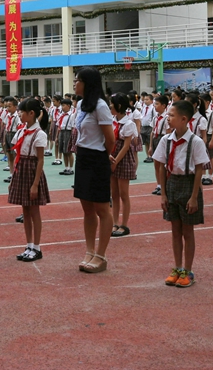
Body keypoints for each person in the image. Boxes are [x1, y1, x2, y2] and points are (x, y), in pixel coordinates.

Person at [153, 100, 209, 287]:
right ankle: (177, 267)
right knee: (175, 230)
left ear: (184, 119)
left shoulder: (196, 142)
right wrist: (163, 193)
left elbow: (199, 170)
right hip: (171, 184)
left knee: (188, 231)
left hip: (188, 184)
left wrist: (194, 197)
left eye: (171, 116)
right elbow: (160, 166)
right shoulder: (165, 140)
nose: (167, 119)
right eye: (168, 115)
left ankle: (188, 270)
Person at [72, 68, 116, 274]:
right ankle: (89, 251)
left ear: (88, 83)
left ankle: (101, 255)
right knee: (87, 209)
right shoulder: (81, 105)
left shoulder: (101, 106)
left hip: (97, 158)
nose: (74, 84)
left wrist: (104, 157)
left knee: (102, 209)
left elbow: (110, 139)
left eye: (77, 80)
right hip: (82, 158)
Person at [9, 98, 51, 262]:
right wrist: (14, 178)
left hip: (32, 172)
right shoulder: (21, 131)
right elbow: (16, 156)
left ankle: (37, 247)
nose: (19, 114)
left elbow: (40, 160)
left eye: (22, 111)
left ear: (31, 113)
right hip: (21, 172)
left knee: (34, 211)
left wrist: (35, 184)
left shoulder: (39, 134)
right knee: (25, 211)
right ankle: (29, 245)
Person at [109, 93, 138, 238]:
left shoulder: (128, 123)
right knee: (114, 194)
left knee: (123, 194)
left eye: (112, 104)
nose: (109, 107)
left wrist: (115, 162)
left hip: (123, 159)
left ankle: (124, 225)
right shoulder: (112, 121)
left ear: (119, 106)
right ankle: (114, 222)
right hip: (112, 156)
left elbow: (126, 146)